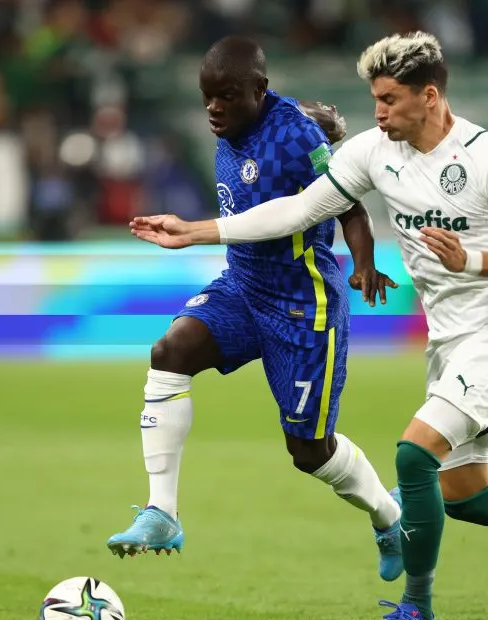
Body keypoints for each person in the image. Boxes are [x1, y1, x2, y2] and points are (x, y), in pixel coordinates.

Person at [128, 32, 488, 620]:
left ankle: (416, 615)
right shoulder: (375, 152)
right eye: (374, 98)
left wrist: (474, 261)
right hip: (449, 339)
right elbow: (298, 211)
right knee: (466, 495)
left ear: (430, 97)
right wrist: (197, 230)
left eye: (390, 99)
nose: (377, 112)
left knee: (413, 454)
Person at [107, 36, 406, 585]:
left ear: (258, 91)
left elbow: (350, 206)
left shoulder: (297, 138)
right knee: (168, 352)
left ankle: (391, 519)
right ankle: (162, 513)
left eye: (225, 97)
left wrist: (363, 262)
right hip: (243, 285)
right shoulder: (240, 117)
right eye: (207, 99)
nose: (214, 109)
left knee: (309, 451)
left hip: (303, 305)